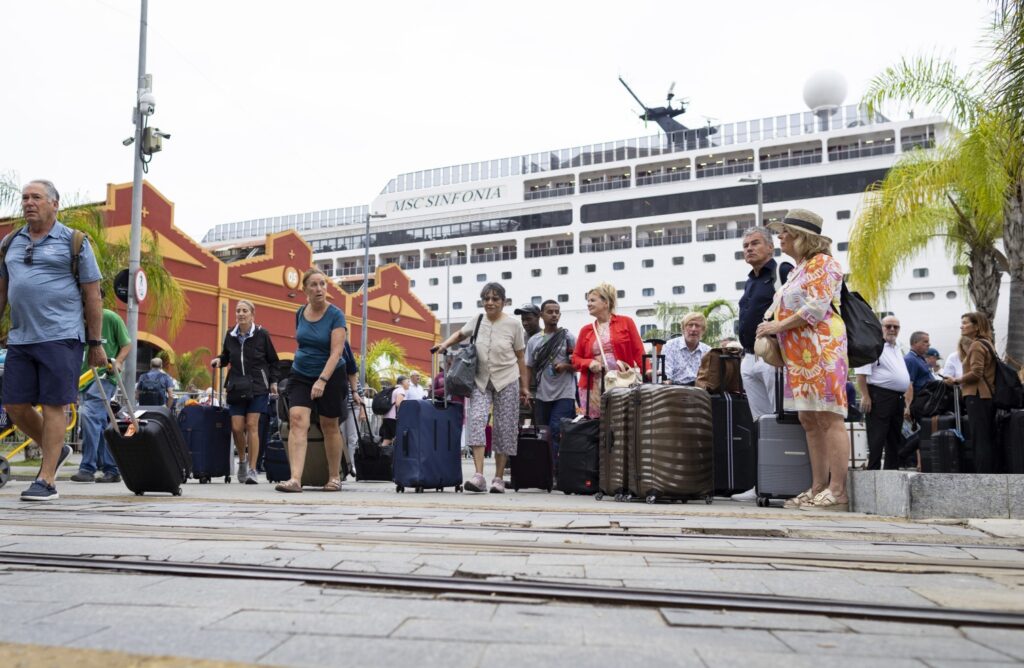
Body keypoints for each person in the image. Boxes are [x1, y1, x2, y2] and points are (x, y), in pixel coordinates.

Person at [0, 180, 107, 501]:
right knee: (14, 405)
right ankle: (56, 450)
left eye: (36, 197)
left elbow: (93, 296)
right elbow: (2, 291)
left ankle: (46, 481)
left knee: (53, 404)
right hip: (20, 338)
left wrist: (95, 343)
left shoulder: (75, 242)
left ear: (54, 204)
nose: (28, 202)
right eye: (25, 198)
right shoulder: (11, 242)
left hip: (61, 336)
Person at [756, 209, 849, 511]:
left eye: (785, 232)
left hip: (823, 347)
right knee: (808, 419)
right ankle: (818, 487)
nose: (780, 236)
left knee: (829, 415)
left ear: (802, 237)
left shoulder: (824, 263)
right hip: (798, 353)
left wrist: (776, 326)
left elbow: (816, 308)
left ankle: (838, 491)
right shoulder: (798, 269)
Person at [433, 282, 529, 493]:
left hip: (507, 379)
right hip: (480, 379)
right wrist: (444, 345)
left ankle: (498, 478)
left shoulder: (514, 325)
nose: (490, 302)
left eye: (495, 299)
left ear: (503, 302)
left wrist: (525, 387)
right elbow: (460, 334)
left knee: (504, 428)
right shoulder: (477, 319)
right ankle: (478, 476)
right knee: (476, 420)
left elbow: (521, 357)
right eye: (486, 299)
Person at [275, 268, 351, 493]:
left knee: (329, 424)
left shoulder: (336, 315)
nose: (319, 289)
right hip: (301, 373)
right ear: (305, 289)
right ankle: (295, 479)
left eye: (322, 284)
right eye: (314, 285)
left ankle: (334, 477)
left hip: (331, 374)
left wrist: (322, 380)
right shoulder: (300, 312)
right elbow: (302, 342)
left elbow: (337, 352)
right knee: (297, 420)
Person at [733, 225, 792, 502]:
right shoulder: (750, 281)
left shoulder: (782, 272)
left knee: (779, 418)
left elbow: (796, 307)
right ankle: (762, 483)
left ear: (770, 247)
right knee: (760, 423)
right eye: (746, 245)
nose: (749, 249)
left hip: (772, 357)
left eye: (755, 243)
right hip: (748, 357)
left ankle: (785, 482)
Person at [211, 299, 281, 485]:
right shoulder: (230, 335)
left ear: (252, 314)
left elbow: (273, 361)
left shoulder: (262, 334)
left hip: (258, 386)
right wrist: (219, 360)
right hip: (236, 386)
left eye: (244, 311)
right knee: (236, 427)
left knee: (252, 425)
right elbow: (226, 356)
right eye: (238, 311)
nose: (241, 314)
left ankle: (252, 469)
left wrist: (273, 381)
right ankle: (242, 460)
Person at [72, 297, 131, 484]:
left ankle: (87, 467)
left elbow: (126, 344)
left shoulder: (110, 318)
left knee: (89, 415)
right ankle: (111, 468)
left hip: (105, 377)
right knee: (98, 423)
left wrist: (118, 362)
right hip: (84, 379)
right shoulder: (78, 320)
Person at [572, 282, 644, 418]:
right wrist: (589, 363)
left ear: (606, 303)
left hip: (621, 382)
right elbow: (575, 359)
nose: (588, 304)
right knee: (594, 424)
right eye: (588, 301)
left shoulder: (626, 322)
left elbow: (638, 351)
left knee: (622, 421)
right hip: (592, 387)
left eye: (592, 300)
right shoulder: (585, 330)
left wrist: (648, 372)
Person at [944, 312, 998, 473]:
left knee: (979, 437)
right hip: (986, 396)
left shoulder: (976, 345)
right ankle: (989, 471)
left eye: (965, 323)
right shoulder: (988, 343)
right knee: (986, 436)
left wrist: (956, 380)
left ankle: (982, 474)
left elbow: (976, 373)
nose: (961, 326)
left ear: (976, 326)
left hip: (977, 395)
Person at [854, 316, 910, 471]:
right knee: (877, 435)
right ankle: (873, 470)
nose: (892, 329)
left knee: (894, 436)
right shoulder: (873, 346)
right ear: (881, 328)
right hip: (880, 395)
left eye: (895, 327)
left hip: (897, 397)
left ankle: (891, 470)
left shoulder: (896, 347)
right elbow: (861, 374)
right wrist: (865, 396)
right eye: (888, 326)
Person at [525, 300, 577, 459]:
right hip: (542, 394)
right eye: (550, 312)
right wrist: (525, 390)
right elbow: (528, 367)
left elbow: (578, 365)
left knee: (556, 429)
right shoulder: (534, 341)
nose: (554, 315)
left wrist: (565, 366)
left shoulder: (568, 337)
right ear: (541, 315)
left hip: (565, 394)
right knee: (544, 432)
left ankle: (555, 469)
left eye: (557, 312)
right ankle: (546, 468)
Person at [663, 312, 711, 386]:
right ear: (683, 329)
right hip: (675, 388)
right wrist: (667, 381)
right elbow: (666, 373)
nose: (693, 329)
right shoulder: (670, 346)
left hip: (699, 389)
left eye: (697, 326)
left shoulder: (708, 351)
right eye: (690, 325)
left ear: (703, 330)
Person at [904, 330, 933, 415]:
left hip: (928, 400)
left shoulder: (919, 358)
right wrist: (907, 407)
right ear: (915, 343)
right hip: (920, 404)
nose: (929, 344)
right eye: (925, 342)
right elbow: (908, 385)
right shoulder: (910, 359)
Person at [380, 375, 409, 448]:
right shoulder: (401, 390)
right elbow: (398, 403)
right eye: (408, 381)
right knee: (400, 438)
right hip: (394, 418)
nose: (409, 384)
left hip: (386, 417)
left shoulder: (393, 389)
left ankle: (381, 453)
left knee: (387, 439)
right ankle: (398, 454)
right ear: (402, 382)